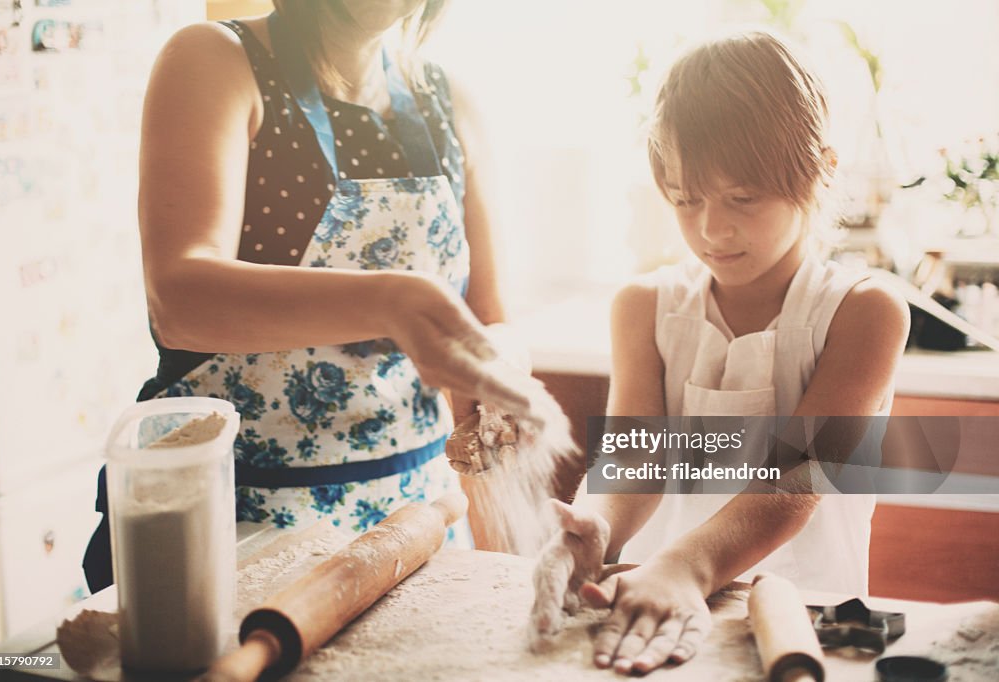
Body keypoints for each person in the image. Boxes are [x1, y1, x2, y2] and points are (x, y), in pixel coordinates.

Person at [83, 0, 528, 591]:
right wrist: (393, 302)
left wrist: (498, 369)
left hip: (417, 530)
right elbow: (180, 302)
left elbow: (491, 320)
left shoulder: (449, 99)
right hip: (239, 532)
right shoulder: (215, 60)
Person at [530, 30, 910, 675]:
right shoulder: (644, 306)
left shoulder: (864, 310)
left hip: (801, 616)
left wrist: (686, 564)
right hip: (650, 596)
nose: (711, 229)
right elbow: (637, 458)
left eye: (742, 198)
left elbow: (801, 476)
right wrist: (597, 525)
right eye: (685, 199)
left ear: (821, 169)